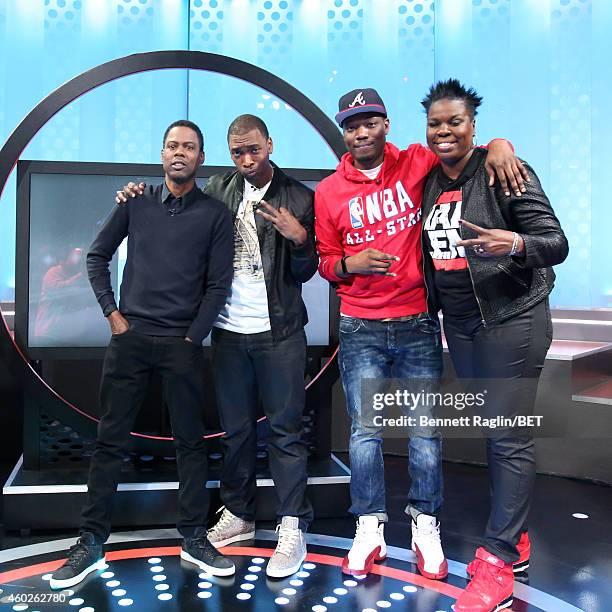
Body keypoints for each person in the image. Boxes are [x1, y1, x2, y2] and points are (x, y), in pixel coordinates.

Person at [314, 88, 527, 579]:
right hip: (361, 323)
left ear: (387, 124)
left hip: (416, 322)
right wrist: (350, 263)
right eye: (352, 125)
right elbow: (325, 260)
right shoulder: (328, 192)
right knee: (365, 431)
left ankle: (424, 521)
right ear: (344, 133)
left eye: (370, 122)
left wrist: (500, 143)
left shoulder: (416, 161)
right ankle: (369, 526)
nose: (361, 132)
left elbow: (464, 149)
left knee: (425, 431)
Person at [117, 114, 317, 579]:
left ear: (270, 144)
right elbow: (180, 216)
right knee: (236, 432)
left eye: (254, 150)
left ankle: (292, 524)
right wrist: (134, 196)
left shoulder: (300, 197)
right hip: (227, 332)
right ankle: (240, 514)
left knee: (285, 432)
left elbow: (307, 271)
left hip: (280, 332)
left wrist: (300, 238)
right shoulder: (219, 189)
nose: (247, 160)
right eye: (237, 152)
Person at [50, 120, 235, 590]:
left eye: (189, 147)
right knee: (109, 443)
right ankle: (90, 543)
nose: (180, 153)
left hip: (183, 346)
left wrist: (193, 338)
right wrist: (112, 313)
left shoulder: (215, 215)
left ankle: (194, 538)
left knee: (192, 446)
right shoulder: (135, 204)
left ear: (201, 157)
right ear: (161, 153)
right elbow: (97, 257)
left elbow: (218, 286)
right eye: (173, 145)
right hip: (130, 341)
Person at [420, 79, 568, 612]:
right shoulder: (431, 181)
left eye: (454, 121)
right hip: (461, 324)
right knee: (495, 432)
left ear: (473, 125)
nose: (444, 131)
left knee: (508, 439)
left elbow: (556, 242)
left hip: (512, 318)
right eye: (436, 123)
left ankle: (499, 562)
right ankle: (518, 535)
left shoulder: (504, 170)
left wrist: (517, 242)